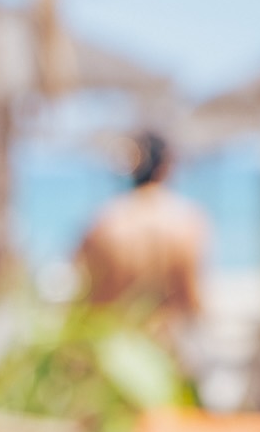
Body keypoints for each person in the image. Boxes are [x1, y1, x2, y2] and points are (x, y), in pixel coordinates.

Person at [77, 131, 209, 324]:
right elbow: (190, 302)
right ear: (166, 167)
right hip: (162, 344)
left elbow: (84, 295)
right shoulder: (187, 221)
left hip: (112, 341)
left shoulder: (103, 220)